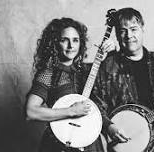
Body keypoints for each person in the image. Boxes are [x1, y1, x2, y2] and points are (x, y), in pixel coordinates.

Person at [92, 8, 154, 152]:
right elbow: (95, 105)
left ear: (142, 29)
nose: (129, 35)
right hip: (127, 146)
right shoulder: (108, 66)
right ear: (117, 35)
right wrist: (109, 126)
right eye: (122, 31)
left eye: (133, 29)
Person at [26, 17, 115, 152]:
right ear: (55, 43)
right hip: (60, 143)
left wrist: (113, 51)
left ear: (81, 43)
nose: (71, 46)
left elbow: (117, 76)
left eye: (75, 40)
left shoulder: (89, 70)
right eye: (64, 40)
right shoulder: (49, 74)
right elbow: (30, 112)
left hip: (90, 144)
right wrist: (71, 111)